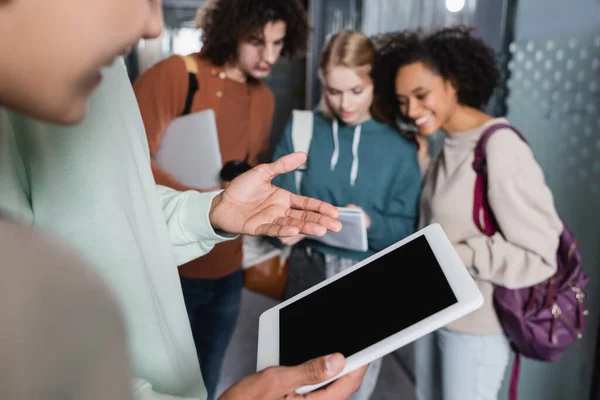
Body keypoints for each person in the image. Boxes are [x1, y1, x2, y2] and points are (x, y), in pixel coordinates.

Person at [0, 0, 368, 399]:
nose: (154, 27)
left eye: (278, 43)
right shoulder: (171, 74)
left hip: (222, 261)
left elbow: (119, 207)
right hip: (179, 278)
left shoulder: (93, 75)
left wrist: (211, 212)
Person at [374, 26, 563, 400]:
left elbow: (540, 254)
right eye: (403, 100)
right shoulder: (449, 146)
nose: (411, 110)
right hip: (435, 311)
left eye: (421, 94)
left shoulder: (500, 147)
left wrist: (458, 255)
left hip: (475, 327)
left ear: (454, 81)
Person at [133, 2, 309, 395]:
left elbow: (247, 173)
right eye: (256, 42)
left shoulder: (263, 97)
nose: (269, 56)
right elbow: (131, 164)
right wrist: (208, 200)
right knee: (156, 382)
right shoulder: (177, 74)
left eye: (279, 43)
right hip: (170, 264)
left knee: (205, 382)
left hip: (228, 267)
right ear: (231, 31)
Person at [271, 30, 422, 400]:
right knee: (296, 387)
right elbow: (278, 201)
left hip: (371, 284)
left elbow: (407, 230)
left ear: (375, 83)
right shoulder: (303, 130)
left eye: (357, 91)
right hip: (307, 271)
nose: (345, 103)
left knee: (350, 391)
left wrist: (370, 222)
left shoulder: (400, 148)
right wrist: (284, 227)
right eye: (334, 91)